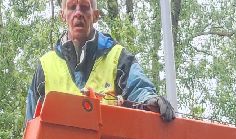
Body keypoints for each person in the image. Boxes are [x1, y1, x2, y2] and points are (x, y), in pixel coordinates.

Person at [26, 0, 174, 122]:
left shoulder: (117, 57)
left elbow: (139, 88)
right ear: (62, 15)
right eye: (72, 7)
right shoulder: (45, 67)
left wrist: (150, 100)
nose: (78, 13)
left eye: (84, 7)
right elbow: (30, 126)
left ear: (95, 15)